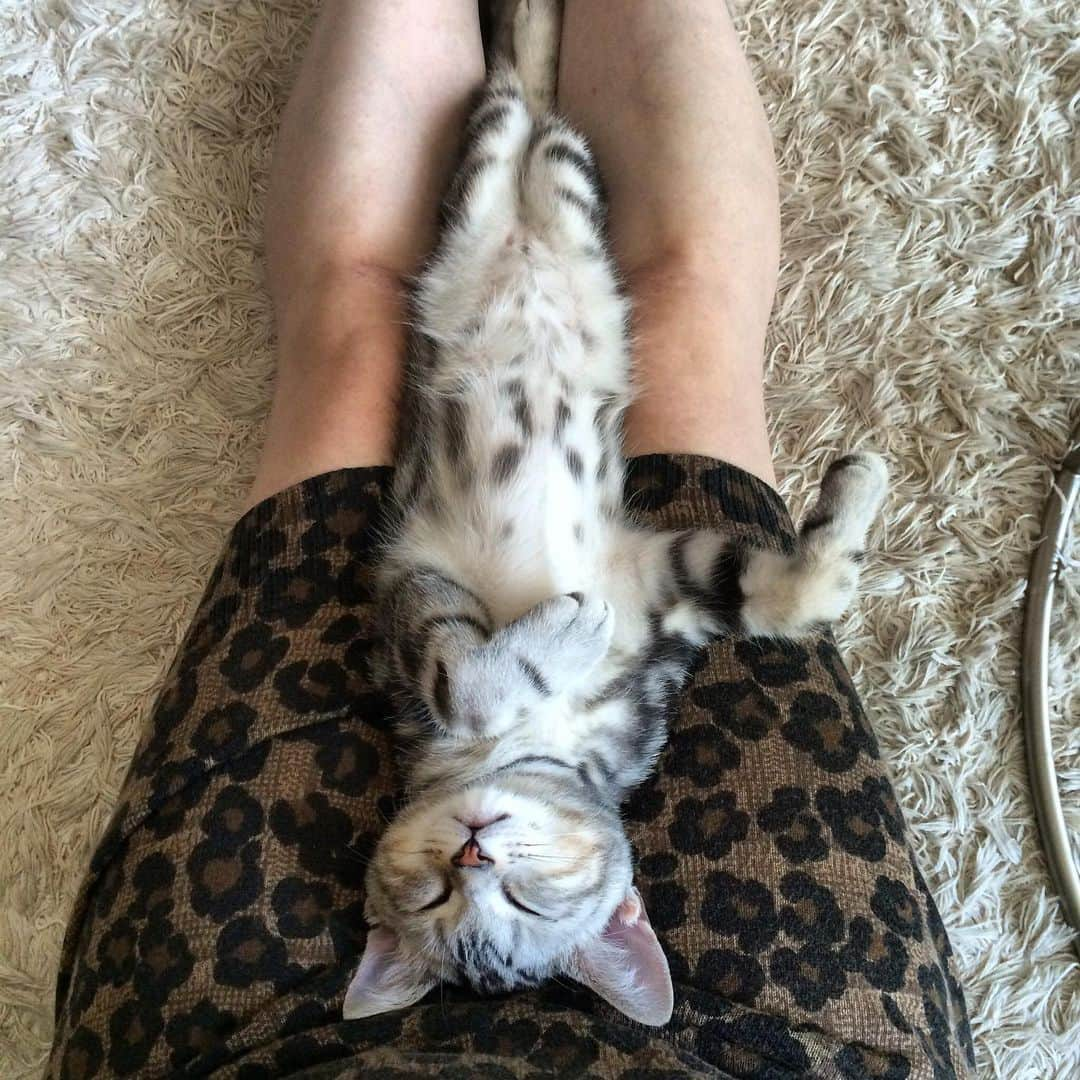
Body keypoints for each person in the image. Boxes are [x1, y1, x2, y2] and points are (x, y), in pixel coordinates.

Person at [47, 3, 975, 1077]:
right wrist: (775, 590)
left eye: (433, 888)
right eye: (525, 888)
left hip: (258, 1039)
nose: (480, 865)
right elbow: (658, 581)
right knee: (681, 314)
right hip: (755, 1040)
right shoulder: (619, 758)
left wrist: (466, 684)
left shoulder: (437, 765)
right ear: (626, 912)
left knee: (358, 324)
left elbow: (419, 590)